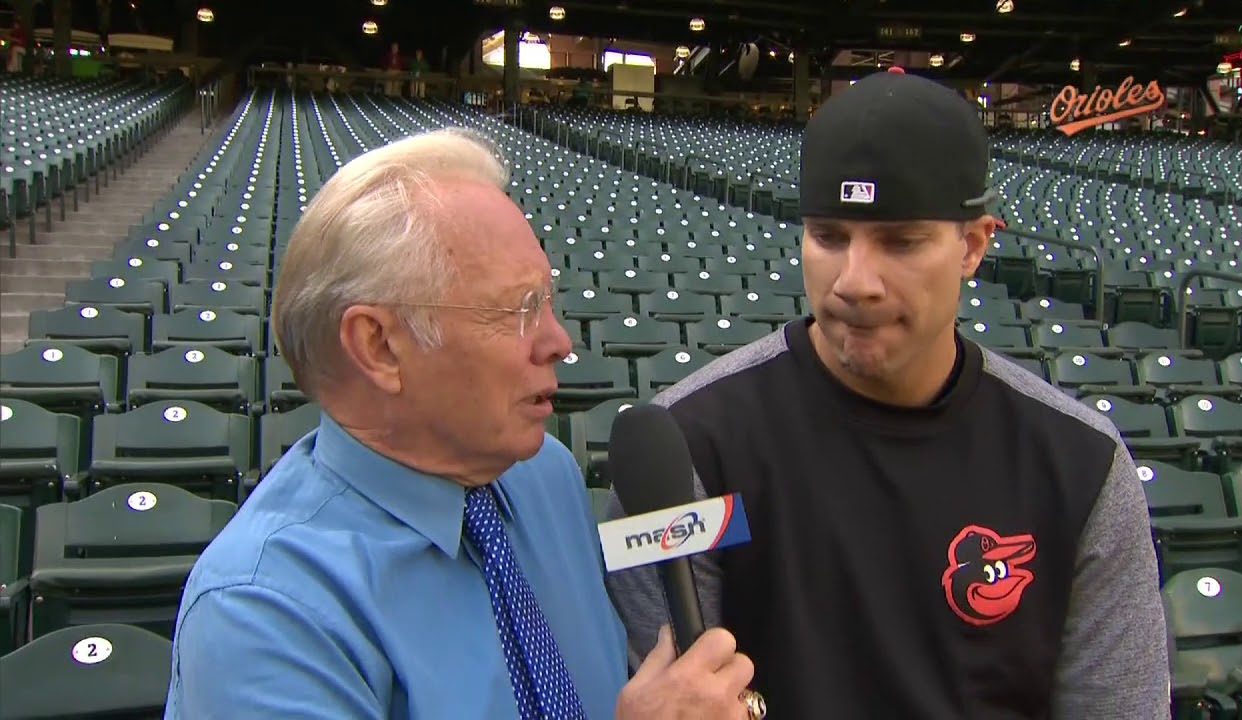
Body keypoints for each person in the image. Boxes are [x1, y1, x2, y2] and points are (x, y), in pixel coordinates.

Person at [604, 68, 1171, 718]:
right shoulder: (686, 449)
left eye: (901, 242)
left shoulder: (1082, 464)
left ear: (974, 245)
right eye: (829, 237)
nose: (856, 281)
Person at [164, 128, 758, 719]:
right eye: (518, 310)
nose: (559, 342)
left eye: (549, 303)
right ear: (379, 347)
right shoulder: (262, 610)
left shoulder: (545, 476)